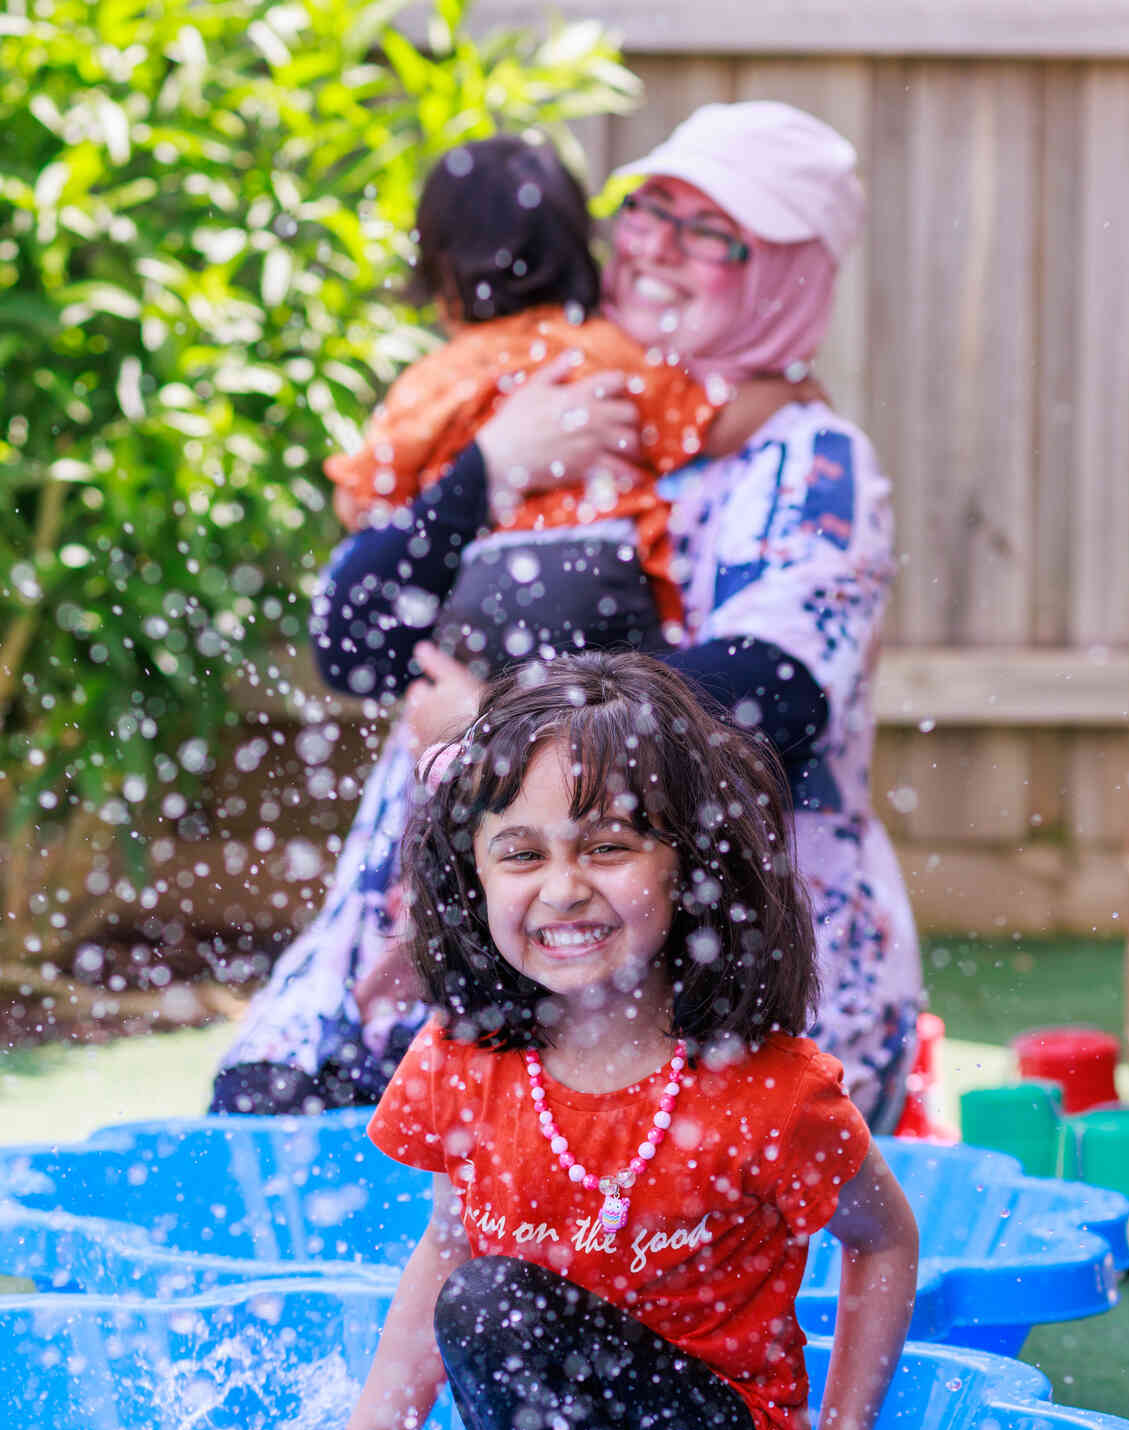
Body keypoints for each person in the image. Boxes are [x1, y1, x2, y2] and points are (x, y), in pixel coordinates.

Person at [211, 101, 923, 1133]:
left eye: (708, 233)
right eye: (646, 210)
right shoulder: (546, 400)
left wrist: (495, 723)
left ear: (787, 273)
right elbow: (353, 637)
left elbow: (769, 697)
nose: (654, 249)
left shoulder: (808, 461)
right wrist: (489, 468)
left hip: (702, 969)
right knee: (262, 1122)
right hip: (448, 934)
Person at [256, 654, 918, 1430]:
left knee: (496, 1306)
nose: (563, 888)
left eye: (608, 846)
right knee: (485, 1300)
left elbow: (884, 1237)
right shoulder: (463, 1062)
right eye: (521, 853)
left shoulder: (771, 1091)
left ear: (690, 865)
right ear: (474, 878)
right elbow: (446, 1250)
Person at [327, 135, 715, 667]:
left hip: (491, 582)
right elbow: (696, 426)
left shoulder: (439, 377)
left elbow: (366, 495)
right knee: (623, 710)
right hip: (606, 565)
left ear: (442, 269)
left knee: (493, 722)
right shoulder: (615, 353)